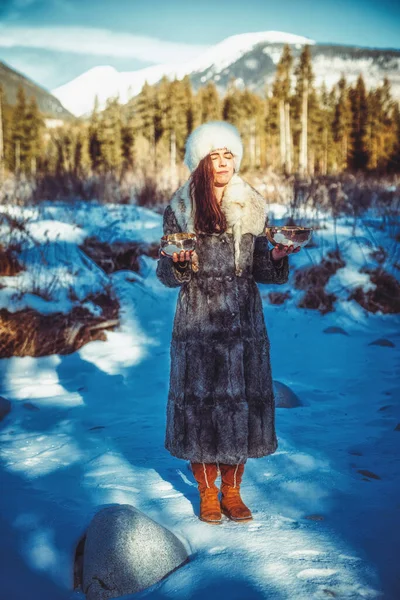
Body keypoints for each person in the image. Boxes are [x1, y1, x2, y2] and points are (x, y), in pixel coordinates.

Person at [156, 121, 300, 525]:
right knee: (200, 408)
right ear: (201, 161)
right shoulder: (181, 207)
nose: (223, 163)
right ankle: (206, 492)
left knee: (242, 406)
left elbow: (259, 268)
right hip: (198, 321)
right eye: (214, 155)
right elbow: (165, 274)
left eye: (229, 154)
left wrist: (275, 257)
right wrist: (178, 264)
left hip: (242, 320)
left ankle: (232, 491)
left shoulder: (252, 204)